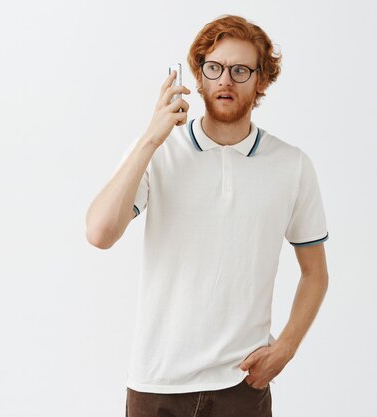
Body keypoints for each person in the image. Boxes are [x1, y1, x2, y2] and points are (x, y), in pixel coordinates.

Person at [85, 14, 329, 417]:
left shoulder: (292, 166)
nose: (225, 81)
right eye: (214, 68)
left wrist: (285, 348)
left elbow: (315, 273)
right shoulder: (159, 148)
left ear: (261, 79)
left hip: (242, 388)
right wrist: (151, 137)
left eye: (240, 70)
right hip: (156, 385)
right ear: (198, 74)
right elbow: (99, 233)